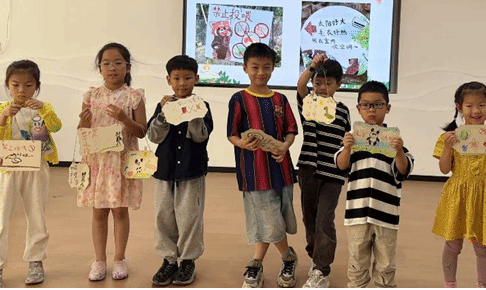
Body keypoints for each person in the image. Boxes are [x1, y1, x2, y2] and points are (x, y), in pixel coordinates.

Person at [0, 60, 62, 288]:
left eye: (28, 85)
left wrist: (43, 108)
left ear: (36, 86)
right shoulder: (0, 109)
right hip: (6, 169)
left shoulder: (43, 108)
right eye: (15, 85)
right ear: (8, 85)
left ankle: (35, 261)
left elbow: (56, 126)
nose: (21, 91)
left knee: (36, 215)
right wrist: (3, 116)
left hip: (35, 167)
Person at [226, 42, 300, 288]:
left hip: (282, 169)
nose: (261, 72)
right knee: (269, 218)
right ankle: (286, 257)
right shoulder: (239, 99)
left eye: (266, 67)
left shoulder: (280, 99)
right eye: (255, 67)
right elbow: (231, 134)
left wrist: (285, 146)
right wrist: (242, 144)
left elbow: (291, 129)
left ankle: (257, 263)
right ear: (245, 68)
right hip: (254, 172)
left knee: (273, 217)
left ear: (273, 68)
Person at [77, 42, 147, 282]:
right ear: (100, 69)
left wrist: (124, 118)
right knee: (98, 213)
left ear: (127, 67)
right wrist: (84, 123)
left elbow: (141, 132)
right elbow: (82, 132)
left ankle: (119, 258)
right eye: (106, 64)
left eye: (118, 63)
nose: (112, 68)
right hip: (98, 162)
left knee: (120, 211)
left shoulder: (134, 96)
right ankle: (99, 260)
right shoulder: (91, 95)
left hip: (121, 162)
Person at [335, 80, 414, 288]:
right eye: (366, 105)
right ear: (358, 109)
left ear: (387, 108)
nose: (372, 110)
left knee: (385, 264)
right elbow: (341, 166)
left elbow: (403, 170)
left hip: (386, 215)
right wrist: (346, 148)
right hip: (357, 214)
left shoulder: (393, 141)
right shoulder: (353, 141)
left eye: (378, 104)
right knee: (357, 262)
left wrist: (399, 151)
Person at [432, 82, 486, 288]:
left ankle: (483, 285)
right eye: (469, 106)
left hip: (484, 196)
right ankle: (450, 284)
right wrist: (448, 147)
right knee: (452, 243)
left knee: (483, 247)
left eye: (482, 105)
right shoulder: (450, 137)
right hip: (457, 195)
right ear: (459, 107)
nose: (476, 111)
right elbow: (444, 169)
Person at [147, 55, 214, 286]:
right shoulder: (162, 106)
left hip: (191, 170)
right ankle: (168, 260)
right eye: (176, 78)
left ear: (196, 79)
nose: (182, 83)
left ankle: (187, 261)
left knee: (190, 217)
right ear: (169, 80)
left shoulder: (202, 106)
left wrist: (193, 114)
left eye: (187, 78)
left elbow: (201, 136)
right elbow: (154, 136)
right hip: (164, 170)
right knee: (163, 216)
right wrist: (164, 114)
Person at [296, 54, 352, 288]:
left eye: (328, 83)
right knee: (309, 219)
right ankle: (315, 257)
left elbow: (346, 142)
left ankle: (321, 269)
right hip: (308, 169)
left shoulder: (343, 111)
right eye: (317, 83)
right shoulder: (308, 103)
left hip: (332, 174)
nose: (322, 88)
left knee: (324, 220)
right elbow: (300, 85)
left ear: (338, 85)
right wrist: (312, 66)